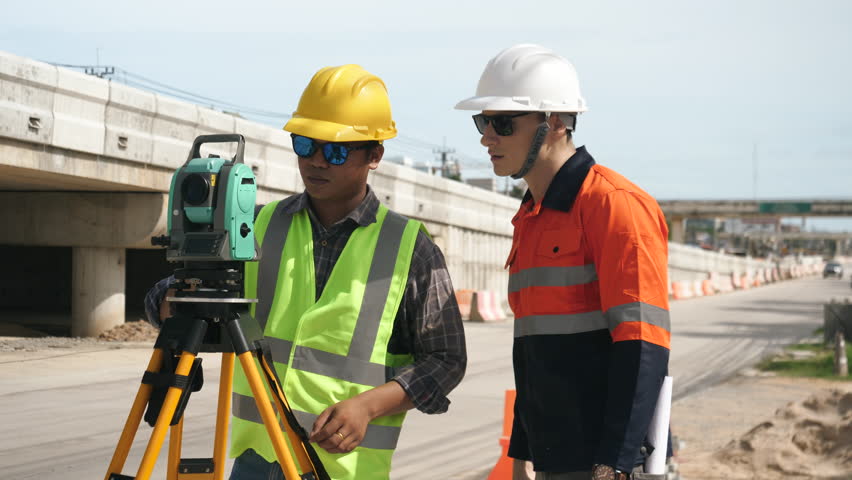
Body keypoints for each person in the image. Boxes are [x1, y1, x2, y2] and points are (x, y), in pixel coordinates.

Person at [145, 64, 466, 480]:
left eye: (335, 150)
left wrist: (368, 407)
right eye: (305, 144)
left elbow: (446, 360)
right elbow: (163, 299)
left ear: (375, 155)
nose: (316, 161)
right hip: (257, 462)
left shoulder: (410, 248)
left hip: (346, 469)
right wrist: (177, 302)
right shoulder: (257, 226)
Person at [455, 44, 671, 480]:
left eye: (502, 123)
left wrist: (615, 463)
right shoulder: (532, 215)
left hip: (602, 463)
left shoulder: (615, 206)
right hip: (553, 459)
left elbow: (643, 343)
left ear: (553, 123)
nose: (486, 137)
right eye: (483, 122)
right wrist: (521, 451)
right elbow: (535, 350)